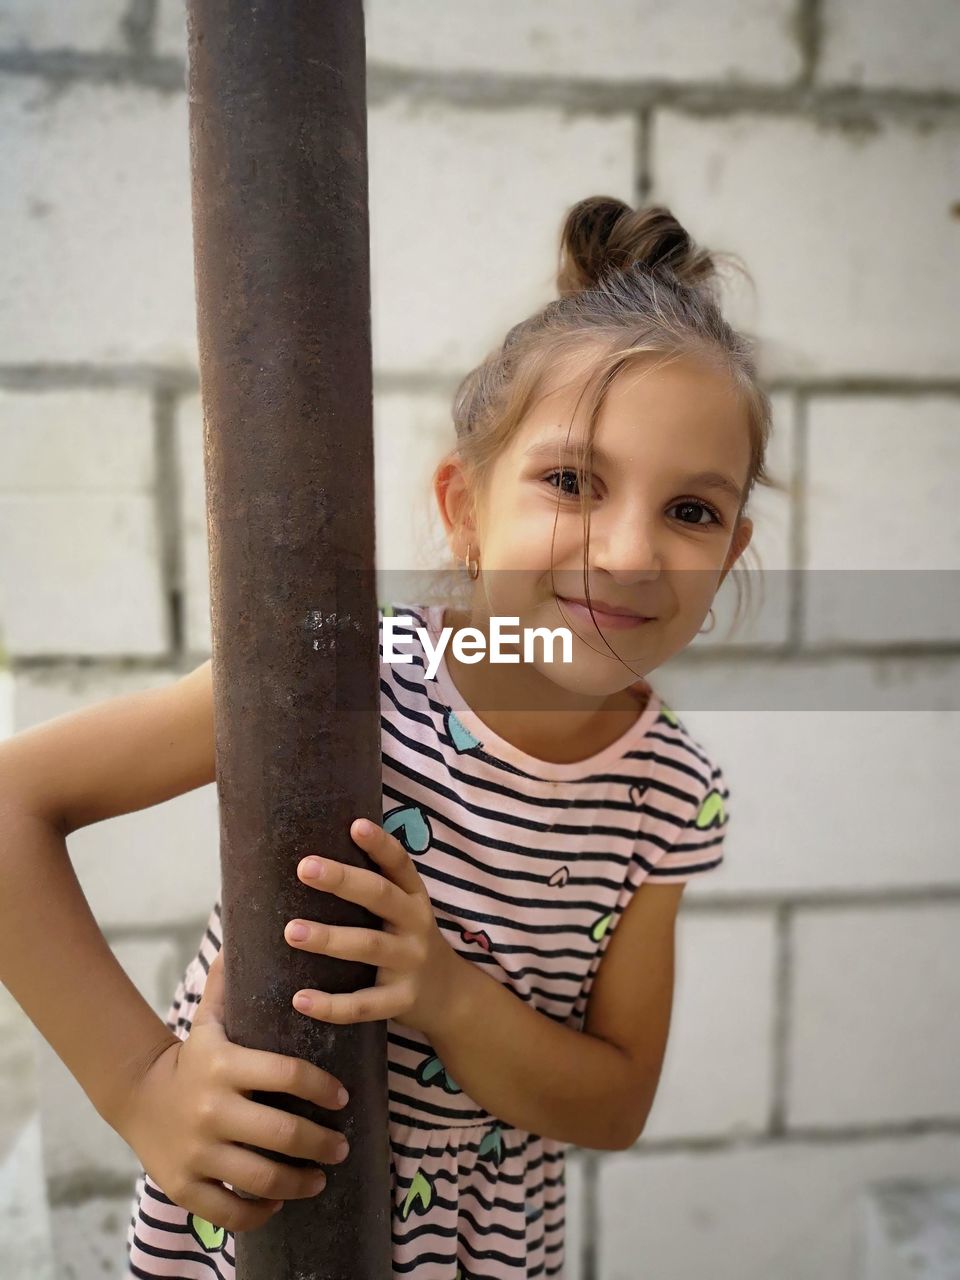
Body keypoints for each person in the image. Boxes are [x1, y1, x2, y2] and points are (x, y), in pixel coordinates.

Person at [0, 196, 778, 1280]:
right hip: (264, 1225)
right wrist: (140, 1087)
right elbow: (10, 805)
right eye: (572, 481)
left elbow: (614, 1099)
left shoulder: (669, 793)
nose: (631, 548)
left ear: (736, 544)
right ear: (465, 506)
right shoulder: (337, 678)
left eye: (692, 511)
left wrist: (448, 992)